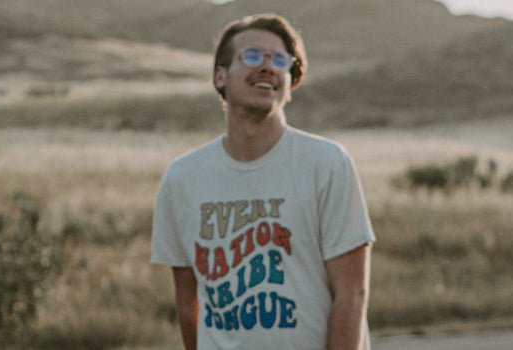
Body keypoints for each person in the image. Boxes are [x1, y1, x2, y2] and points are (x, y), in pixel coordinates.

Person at [150, 13, 376, 350]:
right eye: (253, 56)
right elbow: (188, 301)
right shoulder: (182, 178)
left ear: (289, 83)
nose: (269, 66)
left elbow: (352, 295)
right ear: (220, 76)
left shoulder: (327, 164)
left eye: (280, 60)